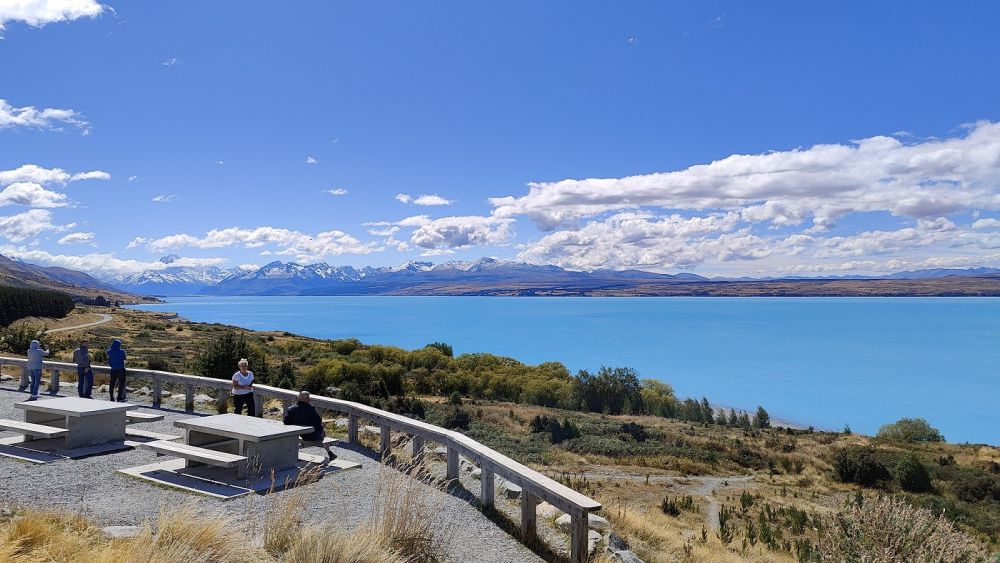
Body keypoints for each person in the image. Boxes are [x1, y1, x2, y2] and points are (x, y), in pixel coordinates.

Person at [284, 391, 336, 462]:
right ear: (304, 399)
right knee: (322, 430)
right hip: (313, 436)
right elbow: (318, 421)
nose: (309, 399)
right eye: (308, 398)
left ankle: (330, 453)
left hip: (301, 434)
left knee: (319, 430)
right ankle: (329, 453)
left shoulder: (291, 409)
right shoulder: (311, 408)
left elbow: (286, 422)